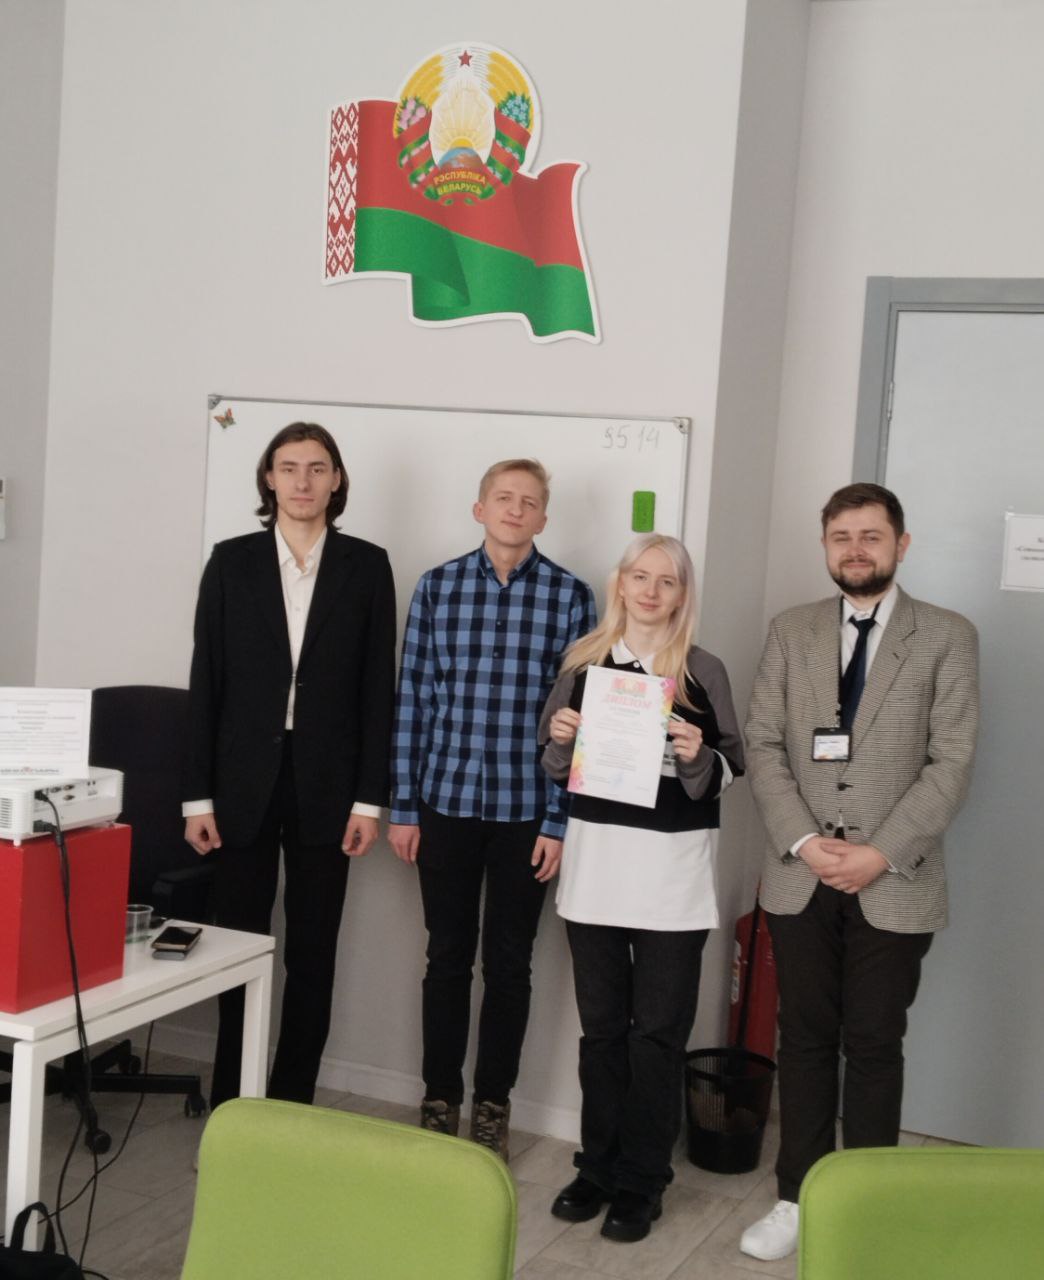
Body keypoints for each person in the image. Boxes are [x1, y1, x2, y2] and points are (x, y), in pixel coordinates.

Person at [740, 482, 979, 1261]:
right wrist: (806, 841)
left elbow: (952, 762)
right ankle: (797, 1199)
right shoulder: (792, 630)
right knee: (804, 1040)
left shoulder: (947, 635)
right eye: (841, 536)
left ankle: (871, 1208)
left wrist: (879, 852)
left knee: (875, 1043)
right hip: (801, 873)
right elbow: (763, 745)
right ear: (826, 545)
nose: (855, 550)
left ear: (901, 544)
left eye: (871, 536)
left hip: (895, 877)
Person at [183, 422, 396, 1111]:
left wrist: (369, 801)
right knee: (239, 951)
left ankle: (290, 1108)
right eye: (289, 467)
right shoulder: (231, 562)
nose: (303, 481)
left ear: (337, 480)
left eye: (317, 467)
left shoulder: (367, 566)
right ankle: (233, 1107)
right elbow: (206, 684)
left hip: (328, 790)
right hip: (240, 786)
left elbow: (377, 692)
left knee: (312, 954)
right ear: (269, 479)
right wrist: (196, 799)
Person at [539, 533, 744, 1243]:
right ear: (620, 583)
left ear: (683, 594)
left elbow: (733, 767)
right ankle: (596, 1168)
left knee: (655, 1036)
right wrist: (561, 736)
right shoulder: (583, 664)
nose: (652, 591)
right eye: (640, 577)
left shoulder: (703, 671)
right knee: (602, 1033)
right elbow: (552, 764)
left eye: (668, 581)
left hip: (671, 877)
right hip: (597, 870)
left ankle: (643, 1180)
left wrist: (698, 755)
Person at [388, 458, 595, 1159]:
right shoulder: (437, 587)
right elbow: (413, 699)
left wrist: (559, 820)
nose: (515, 510)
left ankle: (492, 1106)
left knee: (510, 966)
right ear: (480, 509)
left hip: (526, 812)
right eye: (503, 498)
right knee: (445, 957)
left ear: (543, 517)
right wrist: (404, 806)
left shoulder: (571, 597)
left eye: (529, 502)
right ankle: (439, 1098)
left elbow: (581, 719)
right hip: (444, 802)